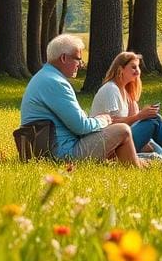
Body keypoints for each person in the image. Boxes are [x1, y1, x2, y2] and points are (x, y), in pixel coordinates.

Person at [20, 34, 145, 166]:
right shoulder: (55, 83)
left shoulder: (44, 77)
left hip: (47, 151)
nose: (80, 64)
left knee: (116, 142)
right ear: (63, 58)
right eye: (78, 59)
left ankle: (140, 162)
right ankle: (137, 167)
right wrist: (104, 120)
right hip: (62, 154)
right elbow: (81, 126)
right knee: (122, 130)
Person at [90, 51, 162, 160]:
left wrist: (137, 115)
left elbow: (129, 123)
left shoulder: (124, 92)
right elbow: (111, 123)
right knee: (154, 120)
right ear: (121, 69)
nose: (138, 71)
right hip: (109, 146)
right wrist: (139, 117)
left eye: (138, 67)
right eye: (133, 67)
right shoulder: (111, 89)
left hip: (120, 143)